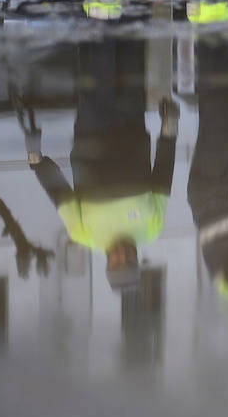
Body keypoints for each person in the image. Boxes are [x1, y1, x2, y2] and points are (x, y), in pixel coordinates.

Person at [26, 39, 177, 293]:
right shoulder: (151, 230)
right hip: (131, 127)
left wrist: (36, 160)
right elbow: (163, 172)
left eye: (117, 263)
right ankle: (134, 6)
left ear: (108, 264)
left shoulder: (83, 235)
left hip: (91, 131)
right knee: (131, 60)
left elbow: (59, 193)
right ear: (137, 260)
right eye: (129, 261)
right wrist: (169, 128)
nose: (122, 256)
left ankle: (101, 12)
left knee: (99, 68)